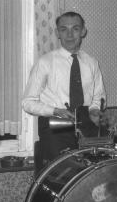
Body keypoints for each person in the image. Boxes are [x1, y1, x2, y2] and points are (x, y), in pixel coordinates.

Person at [22, 11, 107, 174]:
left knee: (95, 173)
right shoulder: (45, 62)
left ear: (83, 31)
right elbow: (27, 102)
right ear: (57, 33)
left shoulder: (92, 62)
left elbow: (99, 96)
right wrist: (55, 111)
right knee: (65, 176)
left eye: (75, 29)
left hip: (86, 125)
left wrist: (95, 109)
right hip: (55, 127)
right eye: (63, 29)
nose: (69, 34)